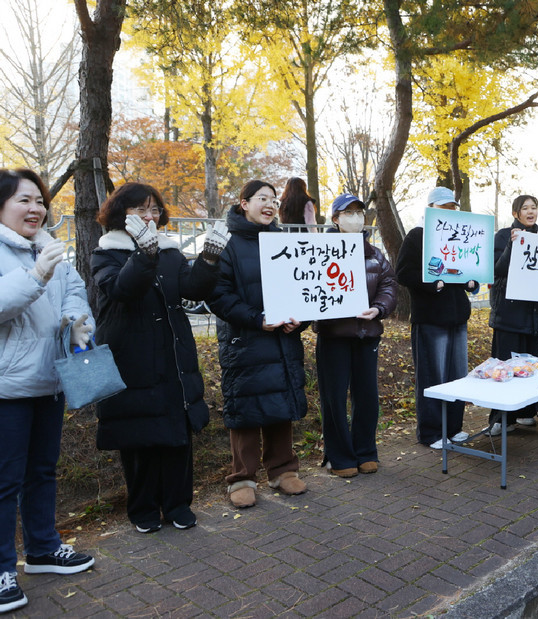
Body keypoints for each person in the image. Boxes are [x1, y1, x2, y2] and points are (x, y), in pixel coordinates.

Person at [90, 183, 228, 533]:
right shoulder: (106, 253)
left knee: (176, 435)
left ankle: (178, 504)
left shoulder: (169, 252)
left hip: (172, 357)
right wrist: (143, 255)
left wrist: (209, 258)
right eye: (140, 210)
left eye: (153, 209)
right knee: (138, 439)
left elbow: (192, 288)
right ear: (122, 215)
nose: (149, 216)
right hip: (130, 360)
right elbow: (122, 289)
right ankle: (143, 509)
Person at [0, 169, 96, 613]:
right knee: (4, 483)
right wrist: (37, 274)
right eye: (24, 200)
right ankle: (2, 569)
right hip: (7, 388)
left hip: (50, 379)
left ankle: (42, 550)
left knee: (42, 471)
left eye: (39, 200)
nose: (36, 208)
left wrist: (77, 323)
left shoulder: (49, 248)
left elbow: (75, 292)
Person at [208, 180, 309, 509]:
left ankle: (283, 470)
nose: (270, 205)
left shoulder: (285, 241)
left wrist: (301, 319)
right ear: (244, 203)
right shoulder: (228, 244)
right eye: (262, 198)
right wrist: (255, 318)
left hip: (283, 339)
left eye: (274, 200)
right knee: (246, 408)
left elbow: (305, 287)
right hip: (245, 340)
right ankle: (242, 477)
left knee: (281, 404)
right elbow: (218, 295)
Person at [315, 193, 398, 477]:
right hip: (334, 335)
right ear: (335, 219)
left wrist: (378, 309)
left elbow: (389, 285)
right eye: (347, 213)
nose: (355, 218)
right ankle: (339, 456)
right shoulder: (319, 251)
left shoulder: (375, 254)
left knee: (367, 396)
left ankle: (366, 451)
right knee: (334, 397)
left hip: (367, 334)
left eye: (359, 212)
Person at [396, 187, 478, 449]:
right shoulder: (417, 235)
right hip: (430, 318)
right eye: (443, 207)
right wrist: (433, 284)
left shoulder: (459, 236)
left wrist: (471, 281)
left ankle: (453, 428)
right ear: (430, 208)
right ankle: (431, 432)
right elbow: (403, 273)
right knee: (433, 376)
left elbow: (467, 268)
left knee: (457, 375)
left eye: (452, 207)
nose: (449, 211)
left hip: (457, 316)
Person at [487, 194, 538, 435]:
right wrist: (511, 245)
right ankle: (500, 419)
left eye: (534, 207)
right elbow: (496, 269)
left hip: (534, 318)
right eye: (525, 208)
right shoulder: (504, 236)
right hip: (508, 316)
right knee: (505, 369)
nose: (530, 211)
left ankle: (526, 412)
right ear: (515, 213)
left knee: (529, 368)